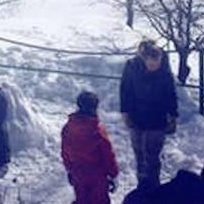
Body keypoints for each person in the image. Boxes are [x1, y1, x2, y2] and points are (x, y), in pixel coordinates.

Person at [119, 40, 178, 192]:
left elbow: (170, 93)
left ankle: (154, 186)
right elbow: (125, 90)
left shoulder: (164, 70)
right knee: (139, 152)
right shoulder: (132, 67)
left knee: (153, 154)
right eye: (151, 64)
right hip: (136, 115)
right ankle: (142, 185)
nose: (154, 67)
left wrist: (173, 115)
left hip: (157, 117)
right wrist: (125, 112)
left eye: (156, 64)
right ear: (144, 60)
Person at [61, 90, 119, 204]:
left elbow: (65, 151)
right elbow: (108, 154)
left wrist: (69, 169)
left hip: (77, 173)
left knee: (82, 200)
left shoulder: (68, 127)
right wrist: (113, 174)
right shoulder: (96, 130)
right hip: (97, 175)